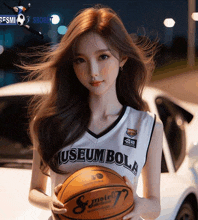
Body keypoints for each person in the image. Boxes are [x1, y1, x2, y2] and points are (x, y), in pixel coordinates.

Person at [25, 4, 163, 220]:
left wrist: (138, 204)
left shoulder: (147, 126)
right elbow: (34, 192)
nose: (93, 72)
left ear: (123, 58)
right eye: (81, 60)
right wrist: (49, 202)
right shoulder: (49, 123)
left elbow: (155, 207)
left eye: (103, 57)